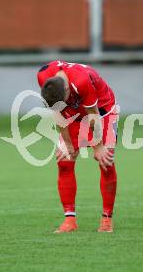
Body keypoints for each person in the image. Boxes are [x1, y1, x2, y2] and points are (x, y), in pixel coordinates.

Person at [37, 60, 118, 233]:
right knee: (64, 162)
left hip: (102, 111)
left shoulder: (81, 80)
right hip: (73, 113)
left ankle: (106, 219)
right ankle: (70, 220)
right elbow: (57, 111)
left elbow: (93, 116)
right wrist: (67, 143)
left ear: (67, 90)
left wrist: (98, 148)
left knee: (106, 162)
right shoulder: (45, 78)